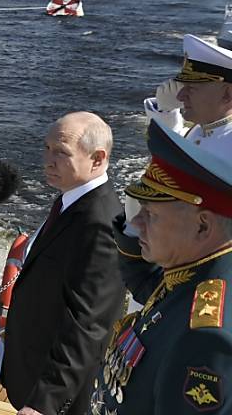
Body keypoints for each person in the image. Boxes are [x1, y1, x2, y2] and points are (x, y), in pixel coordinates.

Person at [94, 119, 232, 414]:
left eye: (151, 215)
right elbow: (152, 285)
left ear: (202, 226)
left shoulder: (206, 335)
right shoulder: (196, 271)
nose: (136, 223)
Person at [1, 112, 127, 415]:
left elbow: (89, 325)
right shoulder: (71, 202)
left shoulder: (100, 225)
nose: (48, 160)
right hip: (30, 371)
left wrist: (44, 403)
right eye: (46, 148)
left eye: (61, 152)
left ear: (97, 159)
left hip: (57, 399)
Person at [145, 35, 232, 154]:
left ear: (227, 93)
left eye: (191, 88)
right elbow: (175, 151)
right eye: (183, 87)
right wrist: (165, 111)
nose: (180, 96)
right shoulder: (200, 130)